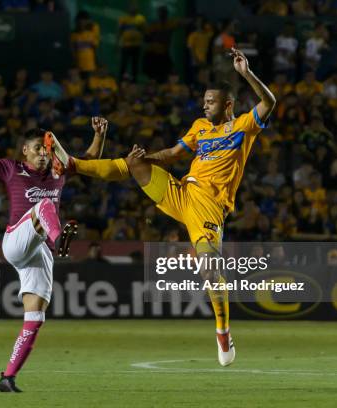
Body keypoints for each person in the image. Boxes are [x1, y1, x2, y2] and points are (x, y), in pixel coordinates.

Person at [62, 47, 276, 366]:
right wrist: (146, 157)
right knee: (134, 164)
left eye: (211, 101)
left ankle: (222, 333)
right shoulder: (199, 127)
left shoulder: (244, 126)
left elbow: (269, 102)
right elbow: (174, 154)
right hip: (181, 194)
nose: (205, 105)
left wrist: (246, 74)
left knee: (209, 270)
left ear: (228, 104)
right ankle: (75, 165)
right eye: (204, 101)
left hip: (208, 208)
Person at [0, 116, 109, 392]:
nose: (42, 152)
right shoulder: (10, 168)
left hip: (40, 253)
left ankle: (7, 377)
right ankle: (60, 238)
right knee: (46, 204)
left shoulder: (58, 170)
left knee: (36, 317)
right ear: (25, 150)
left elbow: (89, 161)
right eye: (37, 148)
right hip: (16, 240)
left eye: (46, 148)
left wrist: (99, 135)